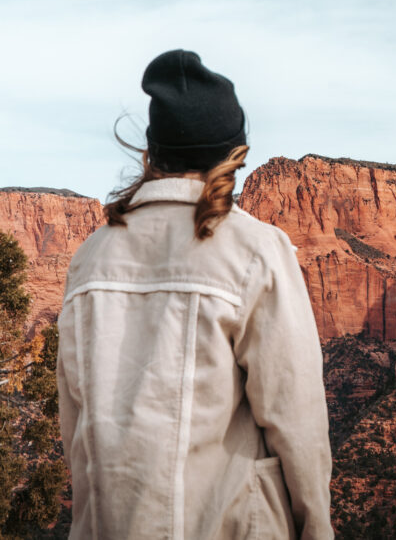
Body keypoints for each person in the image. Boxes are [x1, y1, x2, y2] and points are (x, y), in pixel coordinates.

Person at [57, 50, 333, 539]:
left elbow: (77, 432)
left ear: (152, 152)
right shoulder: (255, 251)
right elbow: (297, 421)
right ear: (232, 156)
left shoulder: (90, 258)